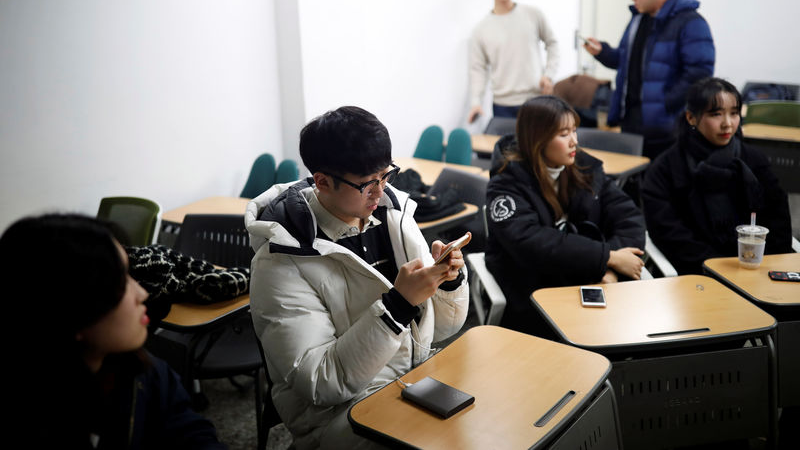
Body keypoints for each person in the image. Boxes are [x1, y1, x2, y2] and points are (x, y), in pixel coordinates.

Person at [245, 106, 469, 449]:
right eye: (366, 184)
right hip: (340, 417)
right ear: (322, 181)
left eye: (385, 175)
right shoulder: (281, 261)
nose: (379, 192)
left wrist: (447, 281)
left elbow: (439, 331)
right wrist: (398, 306)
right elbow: (322, 383)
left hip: (413, 382)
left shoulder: (393, 217)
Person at [1, 214, 226, 449]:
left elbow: (192, 434)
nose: (142, 293)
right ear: (66, 309)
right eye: (120, 282)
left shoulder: (148, 374)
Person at [485, 96, 645, 336]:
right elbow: (532, 242)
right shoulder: (505, 184)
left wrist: (609, 271)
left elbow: (629, 218)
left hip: (592, 280)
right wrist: (607, 257)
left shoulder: (585, 168)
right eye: (563, 134)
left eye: (574, 131)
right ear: (537, 139)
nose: (574, 142)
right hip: (533, 292)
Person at [642, 77, 792, 274]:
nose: (727, 124)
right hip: (696, 272)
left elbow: (778, 220)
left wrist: (762, 263)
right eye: (716, 114)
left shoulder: (753, 160)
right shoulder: (667, 167)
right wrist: (719, 267)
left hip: (758, 267)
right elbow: (668, 232)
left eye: (734, 113)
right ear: (691, 118)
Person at [583, 0, 715, 160]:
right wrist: (603, 52)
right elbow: (625, 61)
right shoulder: (637, 20)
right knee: (632, 184)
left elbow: (700, 73)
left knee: (662, 186)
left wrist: (665, 103)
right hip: (631, 121)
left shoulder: (690, 22)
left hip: (667, 127)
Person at [468, 0, 560, 123]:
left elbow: (552, 44)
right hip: (502, 106)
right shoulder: (481, 29)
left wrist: (549, 75)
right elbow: (478, 69)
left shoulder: (533, 14)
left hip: (535, 100)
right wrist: (476, 102)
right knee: (508, 149)